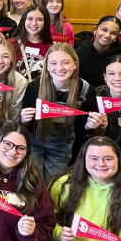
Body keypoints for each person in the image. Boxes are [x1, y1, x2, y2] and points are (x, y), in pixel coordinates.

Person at [19, 44, 107, 182]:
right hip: (34, 143)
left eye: (65, 63)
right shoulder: (35, 87)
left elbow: (81, 131)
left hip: (63, 147)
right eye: (53, 63)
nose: (59, 68)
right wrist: (24, 120)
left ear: (75, 64)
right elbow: (24, 127)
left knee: (54, 184)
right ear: (46, 66)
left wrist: (90, 126)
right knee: (31, 181)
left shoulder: (85, 90)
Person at [74, 16, 121, 87]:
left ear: (116, 37)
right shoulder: (79, 52)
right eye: (104, 30)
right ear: (95, 30)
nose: (107, 35)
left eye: (113, 33)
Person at [15, 4, 53, 80]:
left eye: (39, 19)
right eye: (30, 18)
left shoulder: (51, 48)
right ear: (24, 20)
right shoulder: (12, 44)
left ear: (45, 22)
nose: (34, 23)